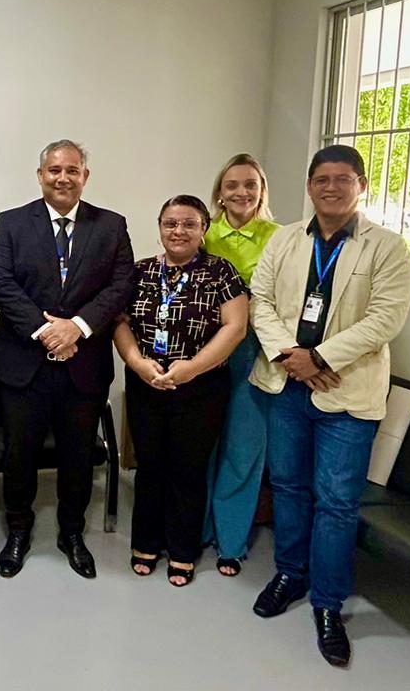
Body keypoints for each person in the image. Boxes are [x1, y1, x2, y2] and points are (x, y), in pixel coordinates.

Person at [248, 144, 410, 667]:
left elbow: (386, 319)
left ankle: (327, 603)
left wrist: (317, 355)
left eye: (343, 179)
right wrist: (289, 356)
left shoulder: (387, 247)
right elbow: (262, 301)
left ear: (361, 185)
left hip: (348, 389)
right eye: (321, 178)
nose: (331, 187)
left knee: (337, 502)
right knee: (291, 487)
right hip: (288, 385)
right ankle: (290, 575)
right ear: (309, 185)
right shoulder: (284, 241)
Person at [0, 139, 134, 579]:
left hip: (83, 365)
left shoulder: (110, 226)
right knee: (19, 456)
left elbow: (121, 284)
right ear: (40, 175)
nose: (63, 178)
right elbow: (0, 282)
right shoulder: (12, 223)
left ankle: (72, 533)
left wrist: (79, 328)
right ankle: (18, 530)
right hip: (22, 366)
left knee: (76, 458)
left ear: (85, 176)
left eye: (72, 170)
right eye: (54, 170)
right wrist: (48, 331)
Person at [114, 195, 247, 587]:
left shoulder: (221, 272)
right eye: (171, 224)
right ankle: (146, 543)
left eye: (189, 224)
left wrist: (191, 369)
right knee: (150, 467)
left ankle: (184, 550)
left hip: (201, 389)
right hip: (146, 385)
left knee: (188, 471)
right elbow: (119, 322)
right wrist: (137, 362)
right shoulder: (138, 273)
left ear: (204, 228)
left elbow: (235, 327)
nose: (179, 231)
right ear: (159, 227)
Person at [202, 153, 280, 578]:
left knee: (244, 447)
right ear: (219, 192)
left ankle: (230, 542)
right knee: (203, 444)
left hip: (255, 351)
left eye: (250, 184)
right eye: (232, 184)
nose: (241, 192)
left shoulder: (281, 237)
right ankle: (199, 530)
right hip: (203, 349)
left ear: (261, 191)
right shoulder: (202, 232)